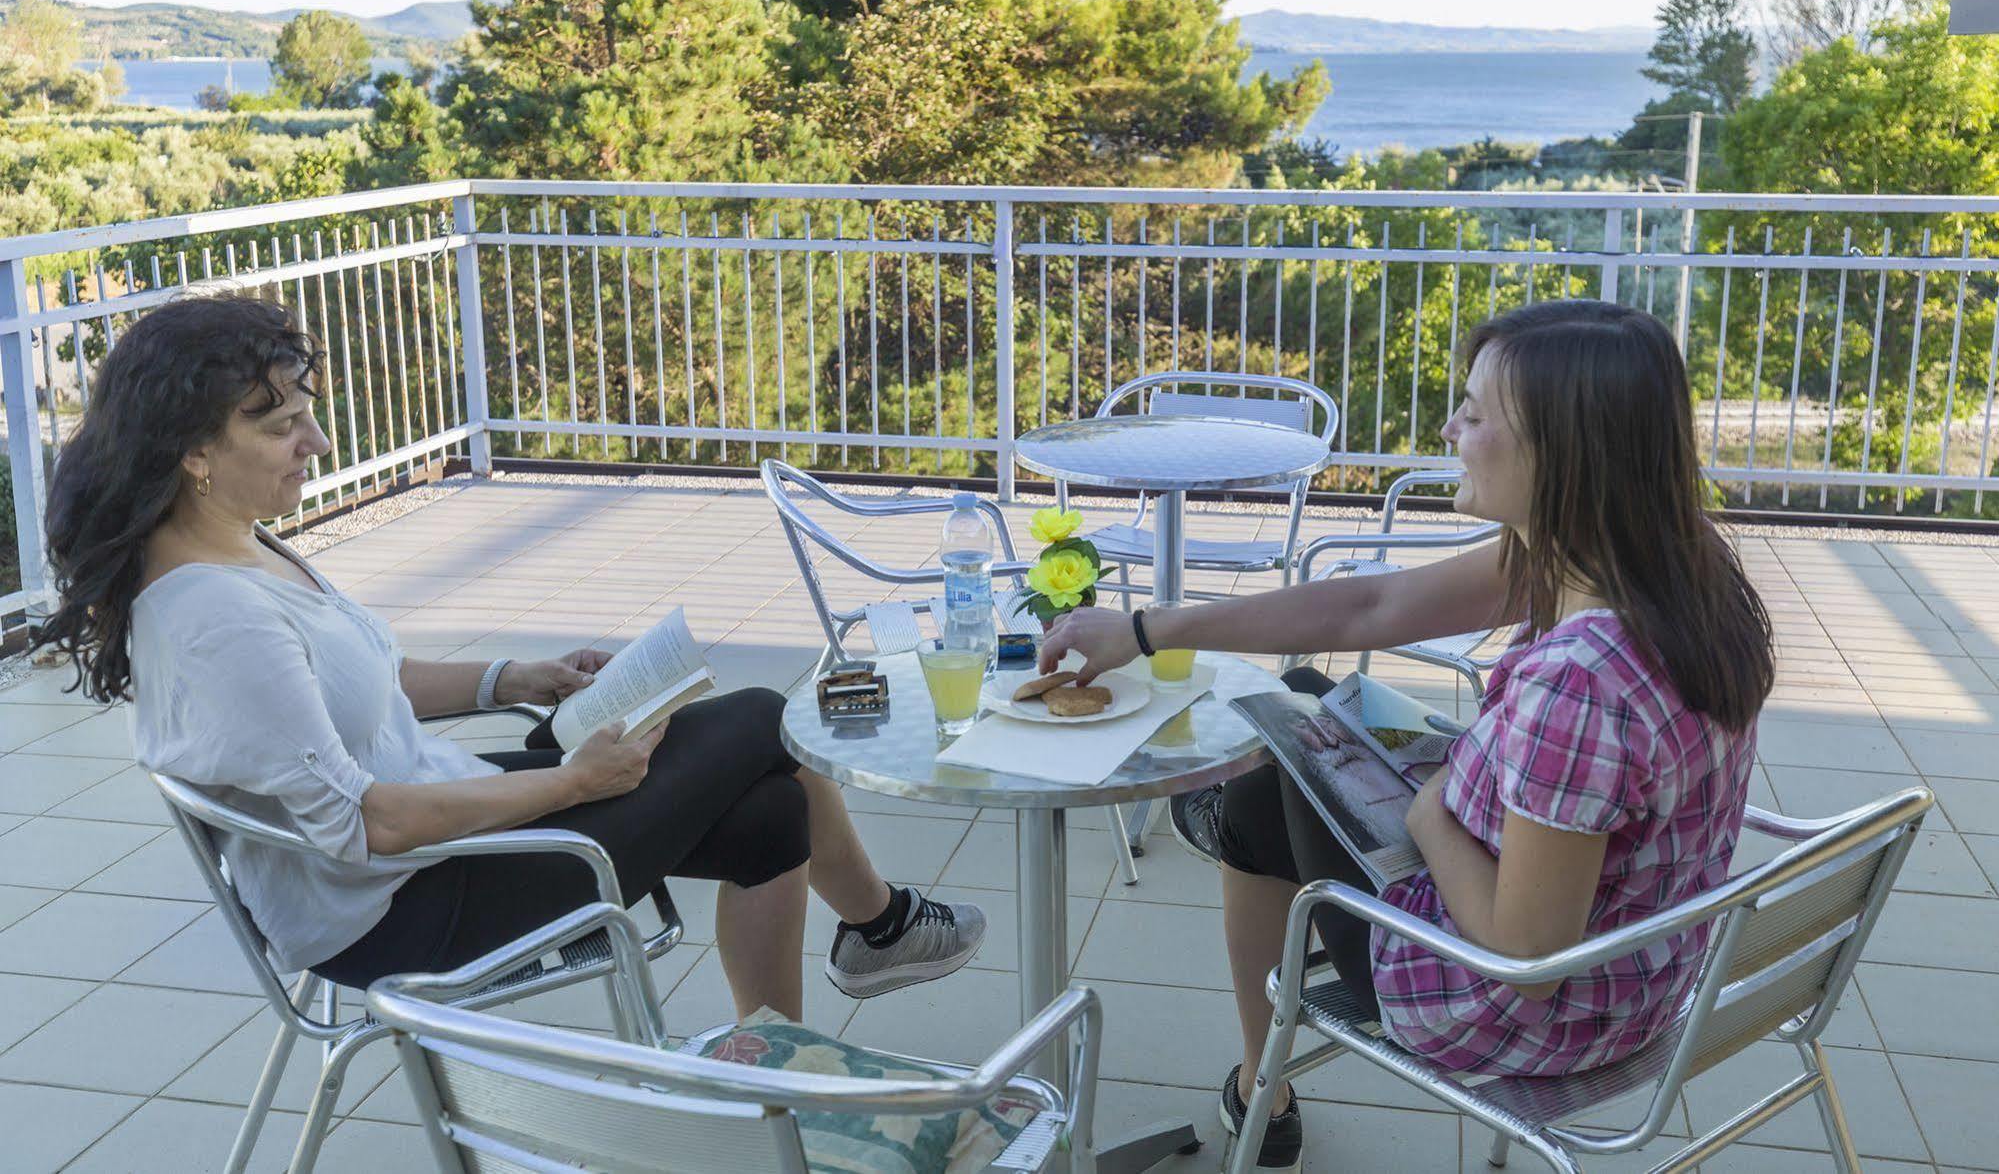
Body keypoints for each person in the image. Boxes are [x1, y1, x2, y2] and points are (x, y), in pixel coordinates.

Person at [34, 294, 984, 1019]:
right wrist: (574, 784)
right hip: (402, 908)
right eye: (282, 428)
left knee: (774, 811)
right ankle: (879, 925)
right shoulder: (214, 615)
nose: (316, 445)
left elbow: (349, 688)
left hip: (435, 826)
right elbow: (372, 827)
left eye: (306, 414)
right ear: (193, 450)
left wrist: (513, 679)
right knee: (758, 722)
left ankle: (781, 1059)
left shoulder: (234, 540)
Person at [1040, 300, 1772, 1172]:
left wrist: (1431, 817)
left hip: (1518, 1012)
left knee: (1264, 782)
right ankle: (1239, 876)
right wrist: (1148, 628)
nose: (1449, 427)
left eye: (1472, 412)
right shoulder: (1672, 568)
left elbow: (1525, 956)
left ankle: (1260, 1078)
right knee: (1305, 696)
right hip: (1644, 970)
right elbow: (1369, 606)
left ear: (1559, 451)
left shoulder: (1579, 682)